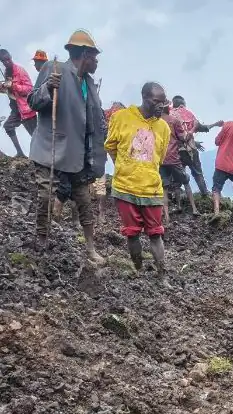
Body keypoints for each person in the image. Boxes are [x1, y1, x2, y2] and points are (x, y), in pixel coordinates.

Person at [28, 30, 106, 263]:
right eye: (94, 56)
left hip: (77, 153)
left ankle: (90, 249)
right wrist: (46, 90)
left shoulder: (89, 84)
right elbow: (32, 101)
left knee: (84, 202)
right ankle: (42, 238)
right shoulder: (55, 71)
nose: (97, 61)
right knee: (45, 195)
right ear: (84, 54)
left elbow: (93, 121)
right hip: (50, 147)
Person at [105, 82, 171, 277]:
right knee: (132, 233)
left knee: (156, 233)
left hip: (151, 189)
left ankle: (162, 274)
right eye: (156, 102)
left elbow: (160, 156)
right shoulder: (121, 118)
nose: (160, 106)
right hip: (125, 188)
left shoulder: (164, 128)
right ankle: (138, 271)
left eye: (163, 102)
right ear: (144, 98)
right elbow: (111, 146)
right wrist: (124, 167)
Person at [170, 95, 223, 196]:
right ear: (183, 104)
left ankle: (175, 197)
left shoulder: (169, 115)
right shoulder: (188, 114)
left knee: (177, 176)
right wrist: (215, 124)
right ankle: (204, 194)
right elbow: (203, 127)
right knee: (198, 173)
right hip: (191, 149)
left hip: (175, 151)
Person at [160, 104, 199, 219]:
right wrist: (192, 131)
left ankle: (166, 217)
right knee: (185, 181)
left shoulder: (155, 121)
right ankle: (194, 209)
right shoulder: (174, 121)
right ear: (168, 108)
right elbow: (183, 138)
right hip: (173, 158)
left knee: (164, 188)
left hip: (160, 159)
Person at [0, 49, 37, 157]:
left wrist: (13, 86)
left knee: (35, 136)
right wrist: (3, 88)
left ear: (10, 57)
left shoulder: (20, 71)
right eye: (4, 61)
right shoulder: (7, 73)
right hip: (16, 110)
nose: (7, 62)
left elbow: (29, 89)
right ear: (1, 62)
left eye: (8, 59)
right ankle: (20, 153)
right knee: (8, 126)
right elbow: (10, 92)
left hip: (26, 110)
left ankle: (44, 158)